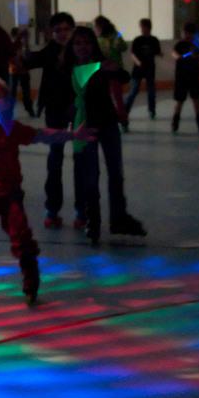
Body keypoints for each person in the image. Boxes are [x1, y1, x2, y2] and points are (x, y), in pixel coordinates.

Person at [0, 77, 94, 306]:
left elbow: (41, 135)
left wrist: (72, 135)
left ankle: (31, 281)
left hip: (10, 194)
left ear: (7, 102)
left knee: (22, 237)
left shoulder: (12, 129)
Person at [65, 26, 145, 244]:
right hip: (86, 126)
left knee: (116, 173)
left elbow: (124, 76)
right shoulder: (72, 68)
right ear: (72, 47)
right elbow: (80, 80)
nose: (83, 47)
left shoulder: (101, 64)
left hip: (107, 122)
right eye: (78, 43)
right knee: (91, 176)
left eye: (87, 43)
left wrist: (113, 68)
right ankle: (93, 221)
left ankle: (119, 217)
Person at [22, 12, 77, 229]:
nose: (63, 34)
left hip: (77, 108)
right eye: (58, 31)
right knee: (55, 158)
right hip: (55, 109)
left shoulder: (81, 49)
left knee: (82, 159)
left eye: (66, 29)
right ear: (51, 34)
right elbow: (29, 61)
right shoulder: (50, 51)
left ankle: (82, 210)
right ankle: (52, 209)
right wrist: (24, 44)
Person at [124, 18, 161, 120]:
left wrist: (160, 54)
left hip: (150, 69)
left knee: (151, 91)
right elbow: (133, 54)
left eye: (142, 27)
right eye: (140, 27)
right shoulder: (137, 40)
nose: (141, 29)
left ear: (148, 27)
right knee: (134, 90)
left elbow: (157, 51)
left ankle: (151, 110)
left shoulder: (154, 40)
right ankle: (125, 110)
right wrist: (138, 62)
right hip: (138, 70)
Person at [171, 22, 199, 134]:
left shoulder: (195, 45)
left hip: (193, 76)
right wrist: (178, 56)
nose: (186, 35)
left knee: (196, 99)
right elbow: (174, 54)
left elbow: (198, 57)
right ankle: (175, 121)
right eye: (184, 33)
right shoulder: (179, 45)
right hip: (181, 77)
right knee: (179, 100)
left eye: (188, 33)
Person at [8, 27, 36, 118]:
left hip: (23, 71)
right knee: (13, 92)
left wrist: (26, 44)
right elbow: (10, 58)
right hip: (14, 71)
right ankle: (10, 111)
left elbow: (28, 57)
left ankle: (29, 109)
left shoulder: (23, 45)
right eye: (18, 35)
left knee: (26, 92)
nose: (19, 37)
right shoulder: (11, 45)